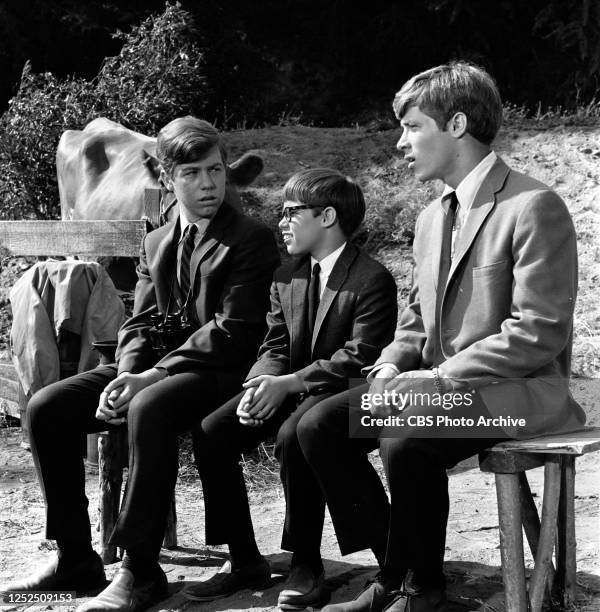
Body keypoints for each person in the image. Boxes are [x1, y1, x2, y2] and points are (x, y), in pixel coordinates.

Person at [291, 62, 586, 612]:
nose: (401, 142)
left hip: (515, 392)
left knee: (407, 436)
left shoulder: (532, 205)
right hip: (437, 390)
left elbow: (539, 330)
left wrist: (441, 376)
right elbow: (415, 317)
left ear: (455, 125)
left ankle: (423, 593)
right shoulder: (430, 217)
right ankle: (397, 570)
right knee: (319, 425)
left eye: (412, 127)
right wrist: (392, 364)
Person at [0, 117, 280, 612]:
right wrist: (127, 370)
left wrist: (150, 376)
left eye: (215, 170)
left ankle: (140, 569)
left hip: (218, 370)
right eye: (191, 173)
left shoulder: (251, 239)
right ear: (167, 178)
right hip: (155, 370)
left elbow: (231, 331)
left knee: (149, 405)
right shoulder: (157, 241)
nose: (209, 184)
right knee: (46, 407)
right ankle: (75, 559)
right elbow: (140, 322)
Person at [183, 168, 398, 609]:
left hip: (345, 396)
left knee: (294, 434)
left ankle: (305, 563)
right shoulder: (287, 276)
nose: (280, 222)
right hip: (292, 387)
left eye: (290, 212)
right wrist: (261, 382)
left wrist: (291, 383)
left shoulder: (372, 278)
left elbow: (359, 357)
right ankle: (244, 557)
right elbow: (275, 342)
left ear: (327, 217)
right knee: (212, 430)